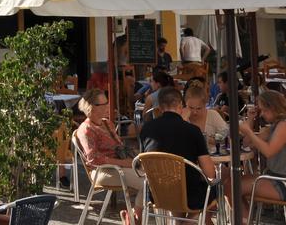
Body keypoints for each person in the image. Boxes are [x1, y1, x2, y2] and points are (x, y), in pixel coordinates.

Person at [140, 86, 217, 213]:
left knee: (180, 190)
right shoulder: (193, 131)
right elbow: (210, 174)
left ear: (159, 107)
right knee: (216, 187)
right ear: (181, 105)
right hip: (190, 197)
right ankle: (189, 222)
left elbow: (142, 166)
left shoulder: (146, 129)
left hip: (157, 195)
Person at [74, 88, 144, 223]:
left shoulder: (107, 123)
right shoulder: (86, 129)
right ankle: (135, 219)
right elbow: (94, 159)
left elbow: (118, 148)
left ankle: (134, 218)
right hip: (102, 171)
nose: (107, 106)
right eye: (103, 104)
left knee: (154, 177)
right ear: (91, 107)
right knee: (147, 183)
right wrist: (125, 163)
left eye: (107, 102)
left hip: (118, 166)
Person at [233, 91, 286, 211]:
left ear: (274, 108)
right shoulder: (275, 126)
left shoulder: (284, 126)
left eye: (264, 110)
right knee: (232, 183)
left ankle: (243, 219)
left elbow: (268, 152)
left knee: (234, 186)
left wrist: (249, 131)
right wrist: (250, 120)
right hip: (279, 179)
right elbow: (247, 143)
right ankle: (245, 219)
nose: (262, 114)